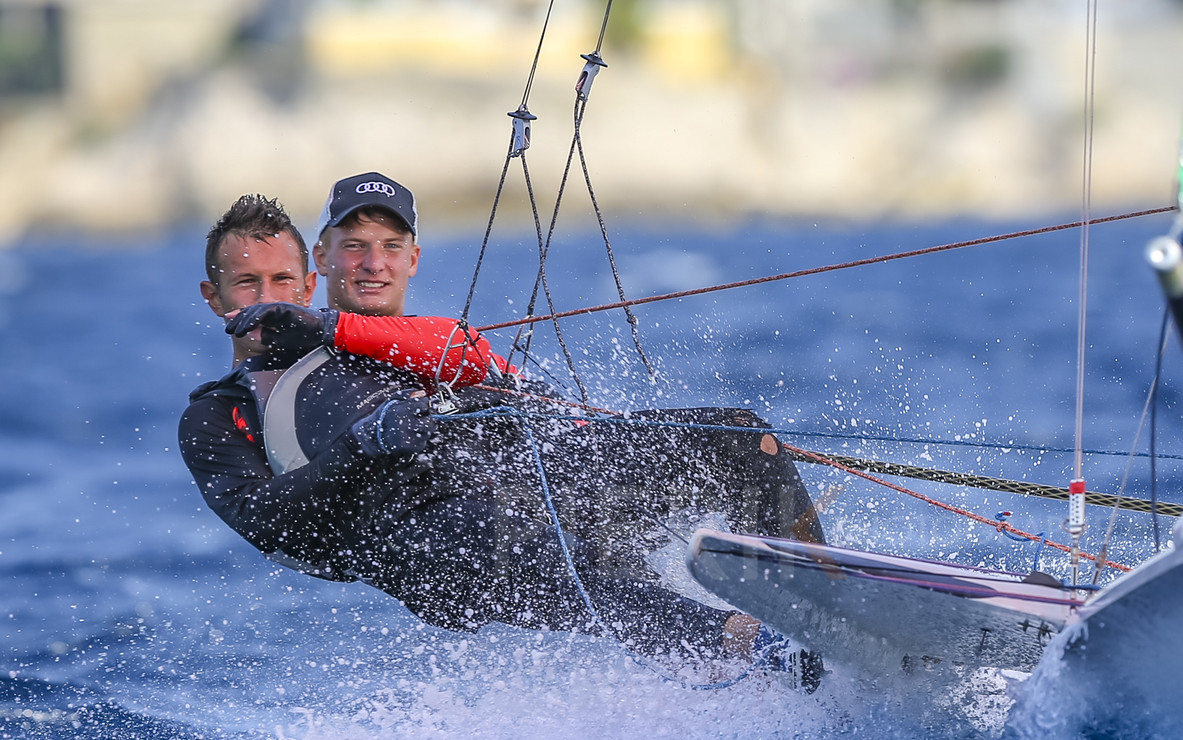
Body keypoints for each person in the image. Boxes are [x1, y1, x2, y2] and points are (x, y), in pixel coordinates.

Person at [179, 183, 824, 681]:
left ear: (309, 283)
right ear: (215, 296)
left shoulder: (372, 336)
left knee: (737, 437)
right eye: (247, 285)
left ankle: (825, 603)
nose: (267, 300)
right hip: (431, 546)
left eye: (282, 283)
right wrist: (364, 445)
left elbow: (459, 349)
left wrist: (550, 414)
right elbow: (263, 519)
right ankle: (741, 648)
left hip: (519, 483)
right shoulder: (218, 414)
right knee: (523, 537)